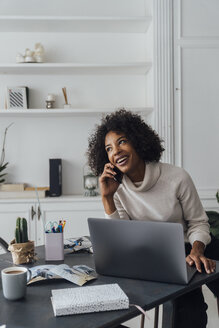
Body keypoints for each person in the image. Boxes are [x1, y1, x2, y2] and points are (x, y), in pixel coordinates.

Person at [87, 109, 219, 328]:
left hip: (186, 251)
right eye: (109, 148)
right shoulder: (116, 188)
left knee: (188, 311)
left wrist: (197, 250)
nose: (116, 151)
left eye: (122, 142)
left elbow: (198, 223)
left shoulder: (177, 178)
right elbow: (122, 238)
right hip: (146, 257)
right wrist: (107, 197)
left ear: (138, 142)